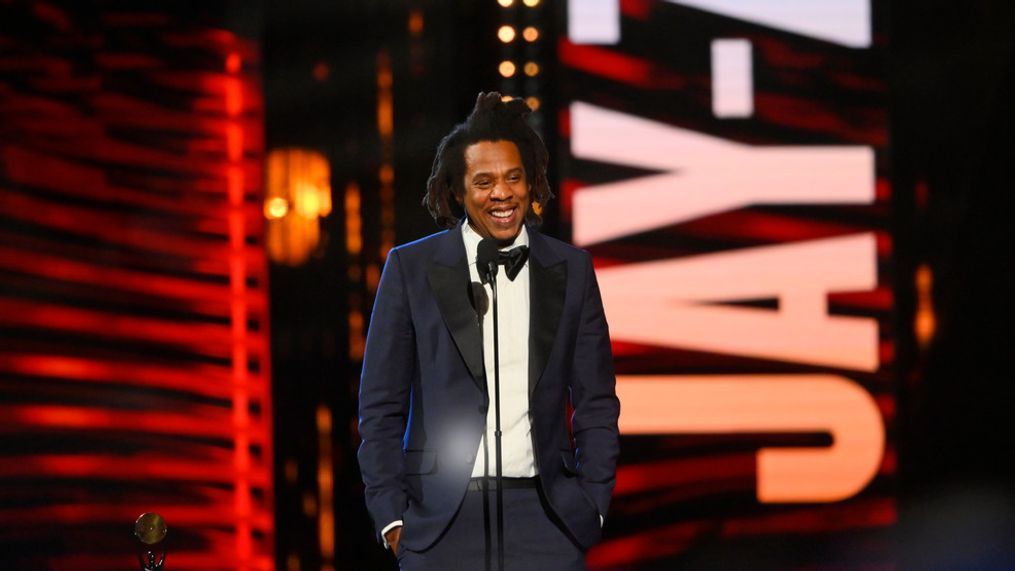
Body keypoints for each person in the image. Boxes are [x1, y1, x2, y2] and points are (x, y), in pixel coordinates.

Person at [357, 92, 620, 570]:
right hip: (439, 525)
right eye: (484, 182)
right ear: (457, 191)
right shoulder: (412, 269)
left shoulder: (571, 270)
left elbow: (596, 399)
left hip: (548, 520)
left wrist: (593, 503)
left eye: (513, 178)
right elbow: (379, 407)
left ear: (531, 183)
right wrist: (393, 519)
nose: (502, 193)